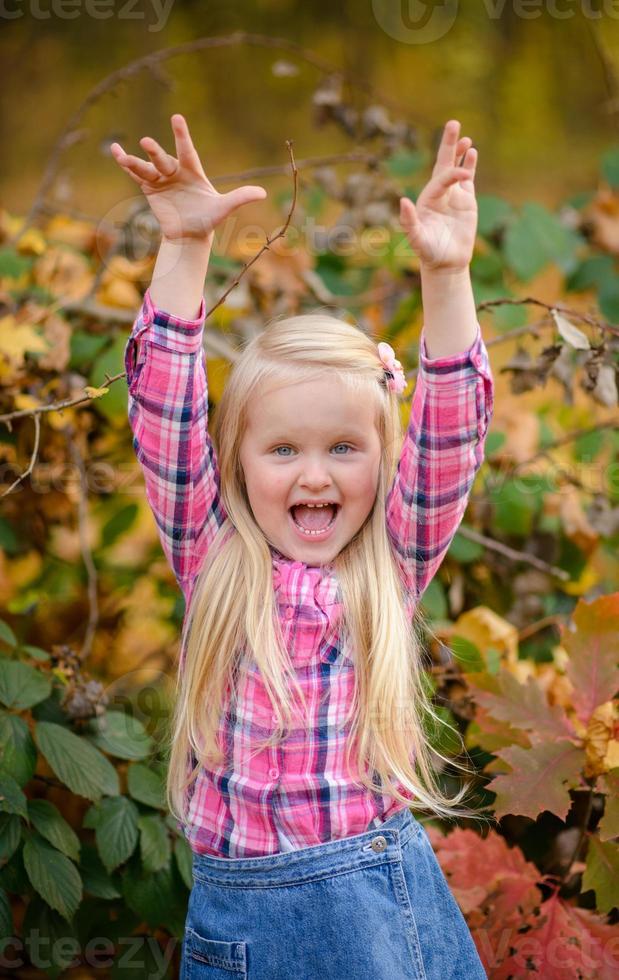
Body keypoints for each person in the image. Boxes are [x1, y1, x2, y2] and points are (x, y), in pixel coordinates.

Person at [112, 113, 493, 979]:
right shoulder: (215, 560)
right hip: (240, 914)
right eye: (282, 449)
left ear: (381, 462)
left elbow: (451, 435)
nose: (313, 475)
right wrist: (183, 247)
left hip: (375, 905)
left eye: (342, 449)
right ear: (237, 463)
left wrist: (446, 271)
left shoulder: (388, 563)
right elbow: (164, 416)